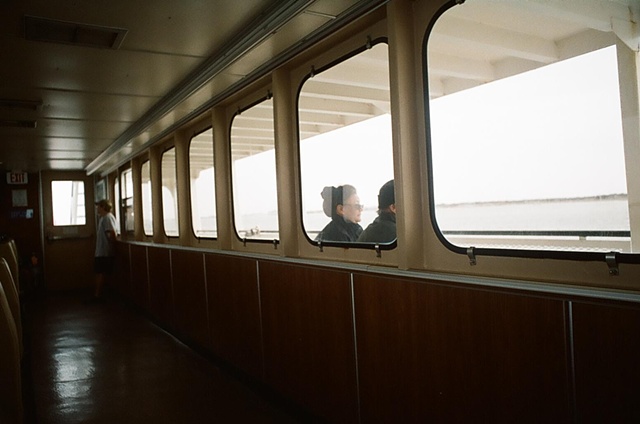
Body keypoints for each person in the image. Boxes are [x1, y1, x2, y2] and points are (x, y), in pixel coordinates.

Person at [91, 199, 118, 301]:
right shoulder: (104, 218)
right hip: (102, 251)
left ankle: (98, 296)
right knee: (100, 272)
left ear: (103, 207)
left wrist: (112, 245)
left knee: (100, 273)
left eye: (98, 206)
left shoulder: (107, 218)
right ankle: (99, 294)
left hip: (104, 252)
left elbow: (111, 234)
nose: (97, 208)